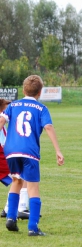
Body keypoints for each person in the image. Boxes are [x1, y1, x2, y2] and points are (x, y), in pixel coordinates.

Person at [0, 75, 64, 236]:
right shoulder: (41, 109)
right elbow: (48, 127)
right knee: (33, 187)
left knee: (16, 180)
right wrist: (58, 150)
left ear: (23, 90)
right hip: (29, 151)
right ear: (40, 92)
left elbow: (1, 121)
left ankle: (11, 219)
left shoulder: (13, 105)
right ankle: (33, 227)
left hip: (11, 150)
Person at [0, 99, 30, 220]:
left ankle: (8, 208)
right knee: (22, 175)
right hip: (2, 154)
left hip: (4, 153)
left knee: (17, 178)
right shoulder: (2, 119)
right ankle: (21, 207)